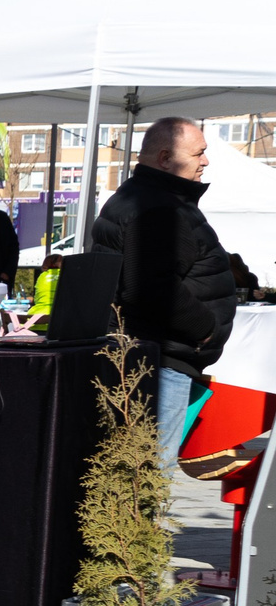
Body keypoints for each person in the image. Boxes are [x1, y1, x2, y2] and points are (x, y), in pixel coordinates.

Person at [89, 116, 237, 470]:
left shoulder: (140, 197)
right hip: (158, 361)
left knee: (136, 471)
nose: (206, 161)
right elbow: (150, 287)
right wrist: (205, 329)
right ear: (166, 158)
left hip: (147, 356)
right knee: (149, 475)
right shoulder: (158, 208)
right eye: (199, 153)